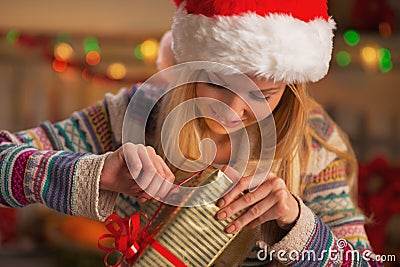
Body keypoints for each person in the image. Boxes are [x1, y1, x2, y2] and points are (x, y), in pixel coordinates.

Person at [0, 0, 382, 266]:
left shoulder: (311, 145)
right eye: (216, 85)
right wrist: (96, 173)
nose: (231, 113)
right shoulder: (135, 117)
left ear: (290, 86)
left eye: (262, 95)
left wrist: (295, 223)